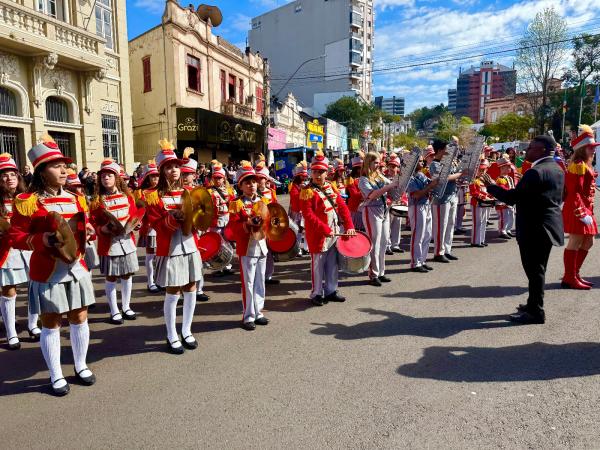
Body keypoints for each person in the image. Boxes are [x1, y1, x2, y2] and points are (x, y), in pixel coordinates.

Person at [10, 134, 96, 395]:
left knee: (80, 317)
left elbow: (82, 225)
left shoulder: (76, 198)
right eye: (56, 166)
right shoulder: (27, 201)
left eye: (64, 165)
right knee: (52, 322)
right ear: (41, 171)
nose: (63, 170)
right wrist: (41, 240)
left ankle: (80, 365)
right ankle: (56, 373)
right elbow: (15, 236)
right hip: (48, 271)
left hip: (77, 267)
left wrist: (88, 230)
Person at [484, 135, 565, 324]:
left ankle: (536, 312)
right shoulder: (557, 168)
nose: (527, 150)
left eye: (531, 147)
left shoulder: (535, 172)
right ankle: (532, 304)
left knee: (535, 271)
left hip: (534, 228)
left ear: (542, 150)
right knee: (538, 270)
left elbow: (513, 198)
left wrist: (491, 187)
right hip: (547, 226)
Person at [145, 140, 203, 354]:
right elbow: (157, 225)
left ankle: (186, 330)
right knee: (173, 291)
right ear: (161, 171)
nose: (174, 170)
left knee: (191, 288)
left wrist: (199, 217)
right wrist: (172, 218)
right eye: (168, 167)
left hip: (190, 246)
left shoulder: (191, 192)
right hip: (170, 249)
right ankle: (171, 334)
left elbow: (201, 219)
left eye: (176, 166)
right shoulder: (154, 196)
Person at [301, 151, 356, 306]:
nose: (317, 175)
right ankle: (316, 293)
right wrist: (324, 228)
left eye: (321, 172)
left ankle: (331, 290)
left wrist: (349, 225)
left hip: (333, 232)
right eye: (315, 172)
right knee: (318, 266)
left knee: (332, 263)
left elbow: (343, 207)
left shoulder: (331, 186)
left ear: (327, 173)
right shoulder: (306, 190)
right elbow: (308, 215)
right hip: (318, 234)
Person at [89, 160, 140, 324]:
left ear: (117, 178)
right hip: (109, 245)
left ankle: (126, 306)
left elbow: (134, 215)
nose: (106, 178)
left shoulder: (128, 196)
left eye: (109, 175)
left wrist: (137, 224)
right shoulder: (97, 201)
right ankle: (114, 310)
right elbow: (92, 223)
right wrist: (102, 230)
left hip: (127, 242)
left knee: (127, 275)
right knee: (111, 277)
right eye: (103, 176)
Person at [0, 154, 40, 350]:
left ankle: (33, 325)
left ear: (18, 177)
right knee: (9, 290)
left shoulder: (28, 198)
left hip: (28, 249)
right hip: (7, 251)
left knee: (35, 287)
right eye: (4, 175)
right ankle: (11, 333)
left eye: (12, 174)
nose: (9, 178)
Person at [226, 161, 270, 330]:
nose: (252, 185)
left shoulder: (264, 200)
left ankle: (258, 312)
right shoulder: (236, 203)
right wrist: (247, 224)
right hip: (247, 247)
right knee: (248, 283)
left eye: (253, 182)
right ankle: (248, 316)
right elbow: (233, 228)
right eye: (247, 183)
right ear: (241, 186)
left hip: (262, 246)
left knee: (260, 281)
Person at [560, 125, 598, 290]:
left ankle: (574, 274)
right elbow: (574, 192)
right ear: (582, 149)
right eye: (590, 147)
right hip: (577, 208)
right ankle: (569, 278)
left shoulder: (586, 164)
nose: (593, 150)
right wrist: (581, 213)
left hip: (586, 208)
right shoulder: (578, 164)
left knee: (588, 242)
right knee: (575, 241)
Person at [359, 152, 398, 286]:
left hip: (384, 211)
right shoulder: (363, 179)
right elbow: (373, 194)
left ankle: (381, 272)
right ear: (368, 163)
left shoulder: (379, 176)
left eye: (379, 162)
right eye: (375, 162)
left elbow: (392, 186)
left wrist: (397, 183)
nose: (378, 165)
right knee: (374, 244)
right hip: (371, 211)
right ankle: (373, 274)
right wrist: (390, 186)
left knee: (383, 242)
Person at [428, 139, 463, 263]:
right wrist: (460, 174)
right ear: (440, 150)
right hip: (441, 198)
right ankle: (438, 252)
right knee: (440, 227)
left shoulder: (448, 162)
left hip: (452, 195)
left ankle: (447, 250)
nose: (448, 152)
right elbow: (444, 178)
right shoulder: (434, 164)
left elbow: (452, 176)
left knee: (450, 225)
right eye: (446, 149)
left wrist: (458, 178)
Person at [407, 155, 438, 273]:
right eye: (419, 161)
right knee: (418, 235)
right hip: (416, 206)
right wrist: (430, 186)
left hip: (426, 205)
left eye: (422, 160)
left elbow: (432, 184)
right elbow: (416, 195)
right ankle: (415, 263)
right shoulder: (410, 178)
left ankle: (422, 260)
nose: (422, 162)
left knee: (427, 234)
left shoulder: (422, 175)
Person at [135, 161, 160, 293]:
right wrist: (138, 222)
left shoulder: (164, 191)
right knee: (150, 256)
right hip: (151, 228)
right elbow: (138, 211)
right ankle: (151, 282)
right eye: (152, 176)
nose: (155, 178)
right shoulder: (142, 193)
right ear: (147, 178)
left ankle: (160, 280)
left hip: (165, 227)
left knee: (163, 256)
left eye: (157, 176)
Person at [207, 159, 235, 278]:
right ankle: (219, 266)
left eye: (220, 178)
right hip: (215, 221)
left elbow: (233, 205)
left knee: (227, 243)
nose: (218, 180)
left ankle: (227, 266)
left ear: (224, 178)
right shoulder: (209, 191)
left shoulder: (229, 190)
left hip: (227, 220)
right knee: (217, 244)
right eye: (215, 178)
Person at [469, 159, 495, 248]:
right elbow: (473, 192)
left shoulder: (484, 180)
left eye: (484, 170)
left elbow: (487, 191)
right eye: (480, 170)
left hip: (484, 203)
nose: (482, 172)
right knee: (477, 223)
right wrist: (484, 197)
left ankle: (481, 240)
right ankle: (475, 241)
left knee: (483, 222)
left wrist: (490, 196)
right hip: (476, 203)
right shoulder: (473, 180)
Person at [384, 153, 404, 254]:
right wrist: (388, 201)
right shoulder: (384, 177)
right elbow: (383, 191)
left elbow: (404, 190)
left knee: (397, 225)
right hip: (388, 204)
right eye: (391, 166)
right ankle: (387, 246)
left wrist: (403, 200)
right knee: (387, 226)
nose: (392, 168)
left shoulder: (401, 177)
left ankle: (395, 245)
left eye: (394, 166)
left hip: (398, 203)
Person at [288, 161, 309, 256]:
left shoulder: (305, 184)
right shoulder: (293, 186)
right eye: (302, 176)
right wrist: (303, 191)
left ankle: (305, 247)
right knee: (297, 230)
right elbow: (295, 198)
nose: (304, 178)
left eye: (305, 176)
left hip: (304, 210)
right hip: (296, 211)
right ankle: (297, 248)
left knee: (305, 230)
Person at [494, 157, 516, 240]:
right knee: (504, 217)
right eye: (508, 166)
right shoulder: (500, 179)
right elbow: (502, 189)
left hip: (510, 201)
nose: (510, 168)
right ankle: (502, 231)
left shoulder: (509, 178)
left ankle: (508, 229)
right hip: (502, 201)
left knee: (511, 216)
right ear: (502, 168)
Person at [346, 152, 364, 231]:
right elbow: (354, 195)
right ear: (357, 169)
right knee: (356, 231)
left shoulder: (365, 177)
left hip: (364, 208)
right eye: (361, 168)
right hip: (355, 209)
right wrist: (368, 192)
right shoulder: (350, 179)